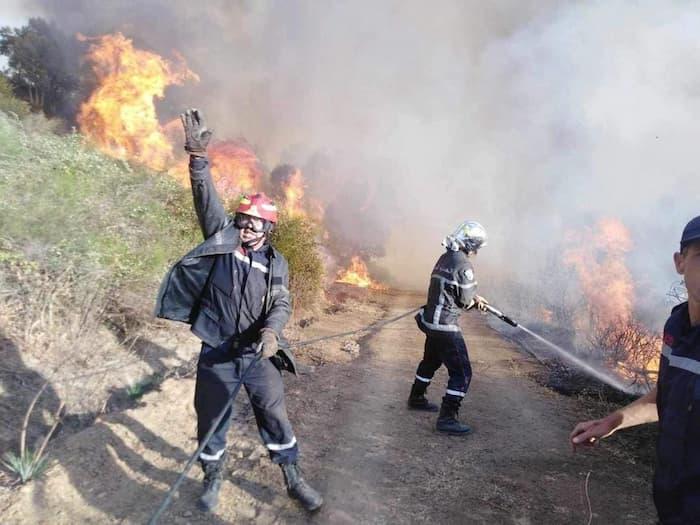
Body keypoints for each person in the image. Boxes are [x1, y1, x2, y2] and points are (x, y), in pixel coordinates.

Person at [154, 109, 323, 513]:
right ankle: (212, 479)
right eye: (242, 220)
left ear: (268, 229)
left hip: (257, 354)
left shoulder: (276, 263)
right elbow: (205, 198)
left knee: (273, 415)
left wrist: (271, 333)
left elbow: (281, 302)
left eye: (254, 224)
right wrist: (198, 157)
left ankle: (293, 478)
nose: (246, 227)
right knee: (211, 418)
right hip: (216, 351)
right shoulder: (223, 240)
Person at [570, 215, 700, 524]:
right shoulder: (676, 327)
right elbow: (666, 395)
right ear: (679, 263)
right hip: (671, 502)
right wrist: (614, 420)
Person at [408, 220, 490, 435]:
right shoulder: (463, 265)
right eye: (478, 247)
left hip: (431, 322)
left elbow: (452, 290)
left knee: (431, 361)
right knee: (462, 373)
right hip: (445, 326)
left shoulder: (445, 258)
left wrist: (473, 297)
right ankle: (447, 419)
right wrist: (475, 302)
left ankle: (416, 398)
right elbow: (464, 301)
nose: (477, 252)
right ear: (471, 245)